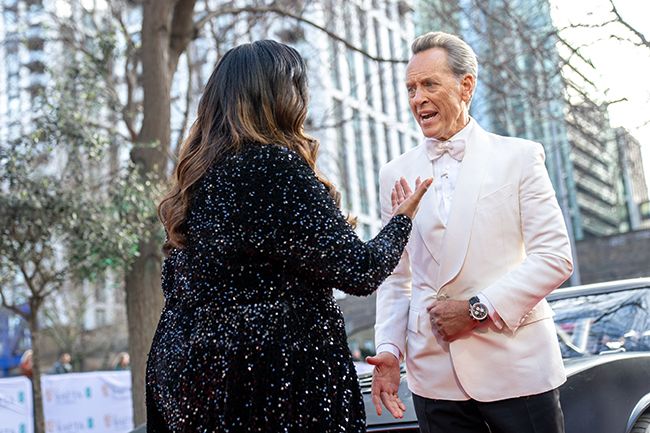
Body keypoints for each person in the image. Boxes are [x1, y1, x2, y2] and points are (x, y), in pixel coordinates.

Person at [146, 40, 432, 432]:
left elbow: (179, 295)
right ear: (282, 96)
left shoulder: (195, 182)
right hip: (282, 392)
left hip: (206, 392)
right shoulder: (271, 166)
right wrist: (402, 220)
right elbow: (360, 271)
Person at [368, 31, 574, 433]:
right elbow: (396, 278)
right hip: (434, 376)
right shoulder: (394, 173)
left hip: (516, 366)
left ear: (466, 85)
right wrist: (389, 350)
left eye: (429, 84)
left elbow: (554, 256)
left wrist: (477, 309)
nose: (417, 98)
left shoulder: (519, 157)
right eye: (411, 88)